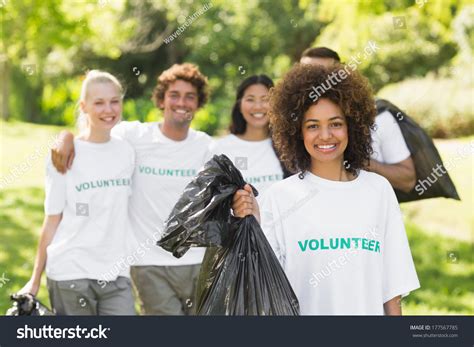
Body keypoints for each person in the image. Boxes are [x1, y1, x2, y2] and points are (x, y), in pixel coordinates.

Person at [232, 63, 420, 315]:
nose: (325, 135)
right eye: (312, 125)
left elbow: (392, 288)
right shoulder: (279, 197)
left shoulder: (379, 190)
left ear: (352, 126)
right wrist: (251, 222)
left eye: (335, 123)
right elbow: (260, 282)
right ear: (297, 132)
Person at [51, 63, 213, 315]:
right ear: (161, 100)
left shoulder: (206, 146)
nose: (181, 102)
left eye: (190, 96)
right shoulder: (134, 136)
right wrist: (65, 136)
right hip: (148, 263)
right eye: (174, 95)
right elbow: (95, 131)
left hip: (196, 261)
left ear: (198, 103)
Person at [18, 70, 136, 315]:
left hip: (117, 274)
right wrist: (34, 279)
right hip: (71, 273)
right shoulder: (63, 157)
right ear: (84, 106)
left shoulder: (128, 150)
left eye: (114, 101)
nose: (109, 109)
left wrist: (66, 135)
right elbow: (52, 220)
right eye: (99, 103)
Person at [300, 47, 416, 193]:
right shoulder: (289, 123)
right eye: (307, 75)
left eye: (325, 75)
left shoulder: (379, 118)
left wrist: (357, 159)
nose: (317, 84)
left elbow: (408, 180)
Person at [209, 75, 290, 197]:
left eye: (265, 99)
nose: (258, 106)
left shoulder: (287, 146)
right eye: (250, 99)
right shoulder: (220, 149)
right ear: (239, 105)